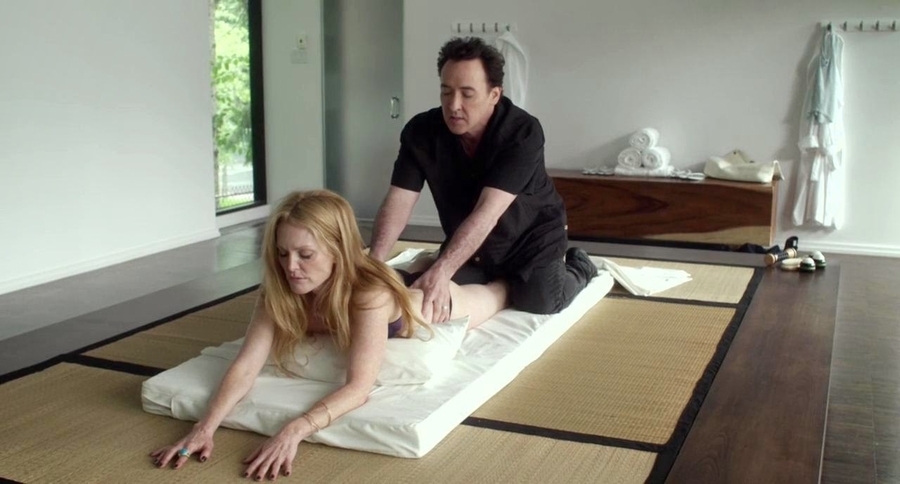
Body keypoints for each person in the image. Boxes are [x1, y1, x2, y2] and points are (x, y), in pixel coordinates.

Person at [150, 190, 507, 479]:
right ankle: (421, 262)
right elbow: (245, 367)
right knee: (414, 267)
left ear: (337, 250)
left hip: (407, 307)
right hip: (368, 282)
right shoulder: (278, 291)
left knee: (500, 292)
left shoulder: (368, 294)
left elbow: (359, 387)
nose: (291, 267)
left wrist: (293, 431)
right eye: (283, 253)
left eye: (305, 255)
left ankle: (465, 269)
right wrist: (204, 428)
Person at [369, 37, 597, 324]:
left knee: (541, 300)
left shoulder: (522, 132)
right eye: (446, 92)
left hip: (531, 239)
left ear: (494, 94)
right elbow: (399, 200)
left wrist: (443, 270)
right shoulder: (421, 132)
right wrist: (374, 263)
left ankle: (580, 264)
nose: (454, 105)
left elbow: (488, 212)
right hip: (475, 243)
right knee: (427, 291)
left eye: (467, 94)